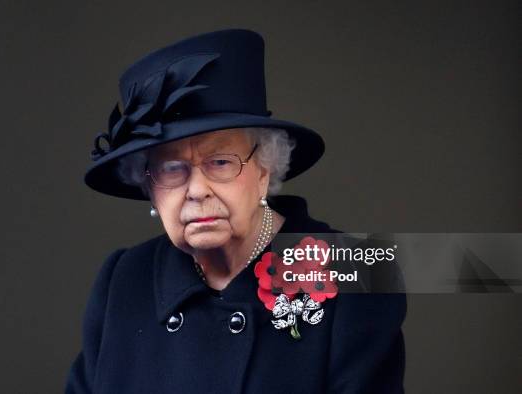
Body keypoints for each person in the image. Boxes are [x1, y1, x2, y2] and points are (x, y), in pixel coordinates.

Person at [66, 29, 406, 394]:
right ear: (149, 188)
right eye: (170, 168)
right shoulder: (123, 281)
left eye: (221, 162)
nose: (196, 190)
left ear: (265, 169)